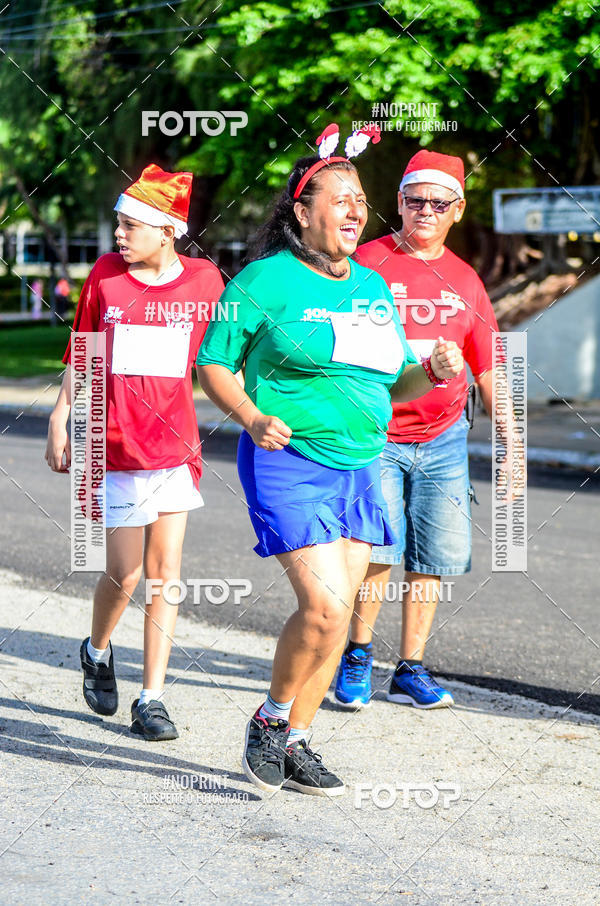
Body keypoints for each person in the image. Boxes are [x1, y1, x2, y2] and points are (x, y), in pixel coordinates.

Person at [197, 128, 464, 796]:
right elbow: (212, 364)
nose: (354, 210)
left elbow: (394, 383)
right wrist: (253, 417)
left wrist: (427, 371)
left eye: (360, 200)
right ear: (302, 212)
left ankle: (298, 741)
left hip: (359, 464)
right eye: (338, 199)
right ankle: (271, 716)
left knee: (340, 617)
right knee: (321, 608)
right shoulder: (264, 280)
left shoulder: (373, 287)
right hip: (289, 459)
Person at [334, 149, 524, 711]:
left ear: (458, 210)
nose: (425, 211)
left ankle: (411, 668)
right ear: (398, 202)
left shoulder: (466, 280)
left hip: (444, 438)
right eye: (414, 200)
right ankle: (357, 655)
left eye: (438, 203)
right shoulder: (362, 262)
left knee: (434, 555)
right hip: (378, 433)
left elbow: (489, 365)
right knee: (378, 549)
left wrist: (512, 446)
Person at [45, 164, 224, 740]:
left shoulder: (205, 281)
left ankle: (152, 697)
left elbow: (224, 356)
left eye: (130, 226)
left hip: (174, 448)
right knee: (123, 573)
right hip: (114, 446)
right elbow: (85, 350)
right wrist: (60, 415)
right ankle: (97, 650)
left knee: (165, 571)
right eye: (118, 225)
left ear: (168, 230)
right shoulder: (106, 276)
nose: (118, 237)